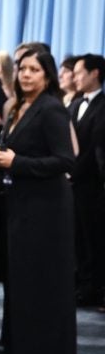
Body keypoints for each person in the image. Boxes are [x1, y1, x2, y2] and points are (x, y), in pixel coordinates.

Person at [0, 45, 77, 354]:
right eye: (22, 68)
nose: (25, 75)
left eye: (34, 70)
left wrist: (16, 162)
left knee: (42, 289)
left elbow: (65, 160)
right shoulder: (19, 107)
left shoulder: (51, 109)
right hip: (22, 207)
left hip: (47, 212)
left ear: (47, 76)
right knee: (23, 288)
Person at [69, 53, 105, 307]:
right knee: (76, 239)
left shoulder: (103, 106)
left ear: (95, 73)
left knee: (93, 239)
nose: (75, 78)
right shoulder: (74, 104)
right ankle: (80, 285)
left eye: (79, 72)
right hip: (71, 186)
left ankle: (94, 288)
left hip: (92, 186)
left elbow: (97, 148)